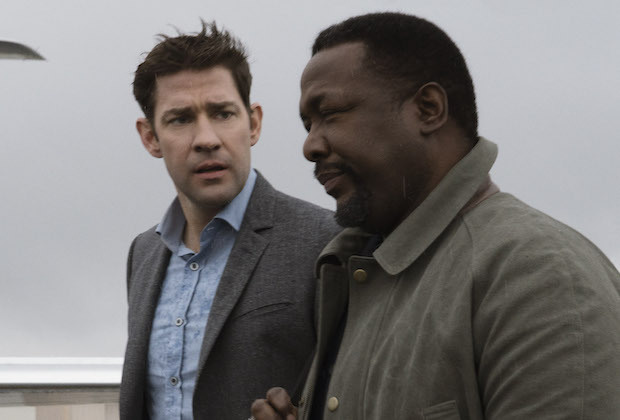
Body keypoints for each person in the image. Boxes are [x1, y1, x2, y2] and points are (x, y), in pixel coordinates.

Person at [251, 12, 620, 420]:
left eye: (331, 113)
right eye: (308, 124)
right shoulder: (355, 275)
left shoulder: (538, 273)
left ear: (428, 109)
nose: (310, 146)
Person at [119, 21, 340, 420]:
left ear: (253, 123)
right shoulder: (143, 253)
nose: (207, 138)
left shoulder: (327, 241)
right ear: (150, 137)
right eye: (180, 119)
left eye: (222, 113)